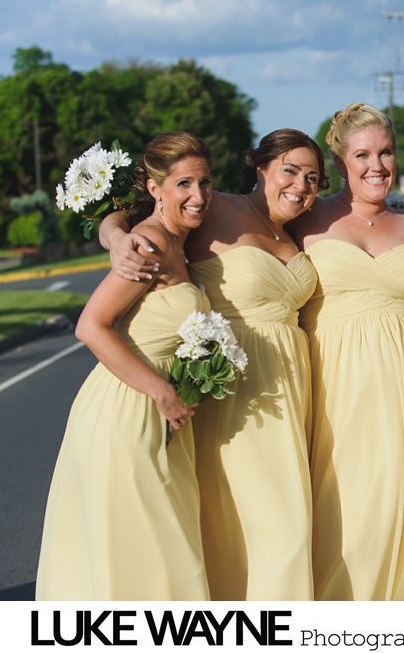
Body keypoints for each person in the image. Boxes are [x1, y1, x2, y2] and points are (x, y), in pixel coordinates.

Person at [99, 128, 324, 599]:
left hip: (290, 388)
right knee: (281, 529)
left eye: (312, 178)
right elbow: (136, 209)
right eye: (289, 171)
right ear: (259, 169)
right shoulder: (216, 206)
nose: (301, 185)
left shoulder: (303, 224)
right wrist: (116, 237)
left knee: (261, 526)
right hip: (238, 393)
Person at [38, 131, 213, 600]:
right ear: (156, 189)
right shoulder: (150, 244)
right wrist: (161, 391)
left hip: (158, 408)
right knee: (152, 549)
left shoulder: (177, 240)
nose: (198, 196)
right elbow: (91, 326)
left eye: (204, 183)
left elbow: (117, 220)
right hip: (127, 408)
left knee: (157, 550)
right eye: (184, 185)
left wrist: (112, 228)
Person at [289, 103, 404, 600]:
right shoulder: (306, 218)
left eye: (385, 152)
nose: (376, 165)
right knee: (353, 505)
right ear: (340, 164)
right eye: (363, 155)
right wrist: (114, 229)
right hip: (342, 381)